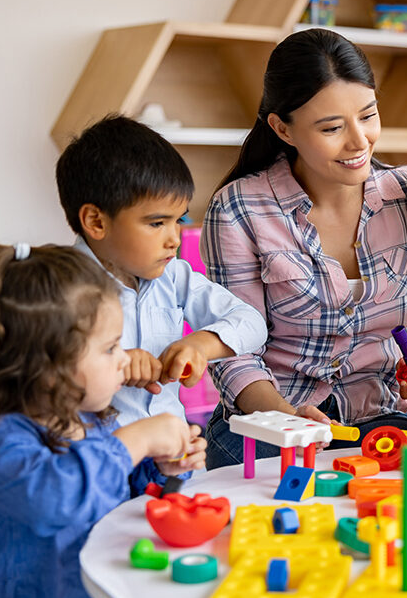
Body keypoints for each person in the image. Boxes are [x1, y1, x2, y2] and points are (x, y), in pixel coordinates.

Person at [201, 28, 407, 468]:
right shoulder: (239, 208)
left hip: (384, 416)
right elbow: (234, 351)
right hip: (272, 420)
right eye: (332, 127)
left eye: (368, 115)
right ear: (282, 128)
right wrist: (288, 419)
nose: (359, 142)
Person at [0, 243, 206, 598]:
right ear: (49, 365)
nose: (125, 358)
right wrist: (136, 441)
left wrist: (162, 468)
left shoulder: (93, 423)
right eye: (110, 349)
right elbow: (57, 499)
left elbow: (116, 497)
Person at [55, 115, 268, 426]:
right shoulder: (57, 287)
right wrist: (115, 362)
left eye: (178, 221)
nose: (174, 239)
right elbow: (39, 376)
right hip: (100, 462)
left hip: (172, 456)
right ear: (96, 222)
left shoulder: (173, 276)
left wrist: (199, 345)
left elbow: (252, 323)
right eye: (157, 223)